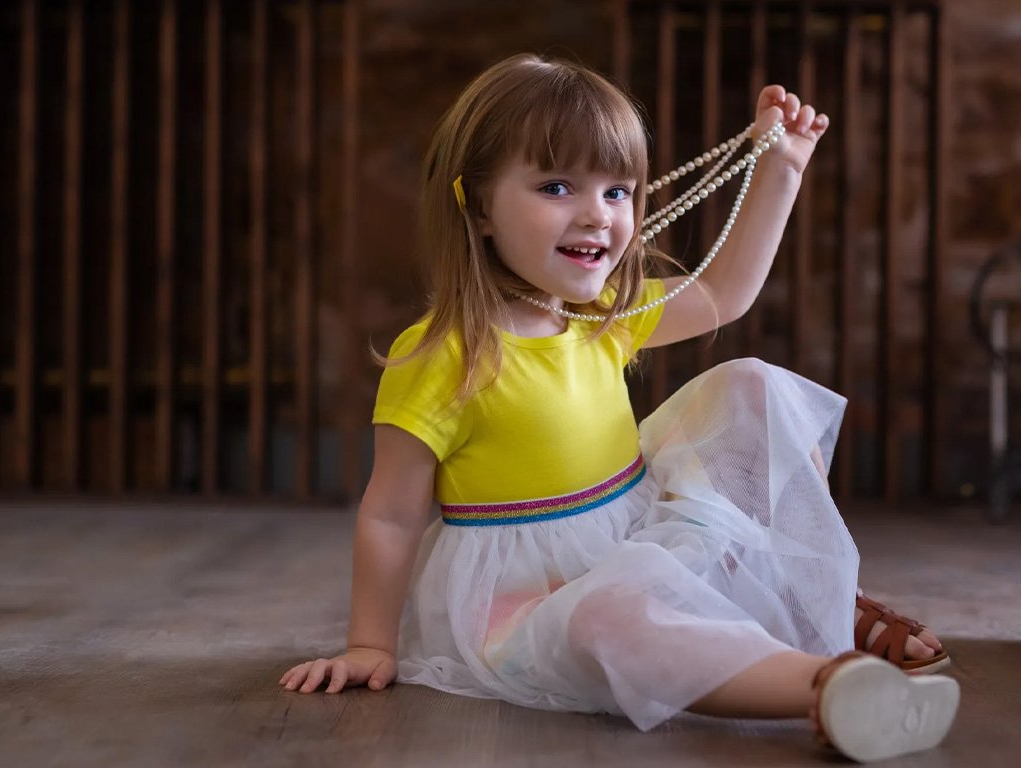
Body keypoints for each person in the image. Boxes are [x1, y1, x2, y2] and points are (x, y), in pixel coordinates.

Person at [279, 54, 959, 762]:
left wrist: (781, 168)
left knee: (752, 384)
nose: (596, 215)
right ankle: (830, 686)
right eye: (556, 186)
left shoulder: (599, 313)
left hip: (638, 528)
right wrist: (369, 644)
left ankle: (804, 592)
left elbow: (723, 296)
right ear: (478, 207)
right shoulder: (442, 356)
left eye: (618, 191)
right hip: (534, 600)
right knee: (616, 618)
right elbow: (390, 515)